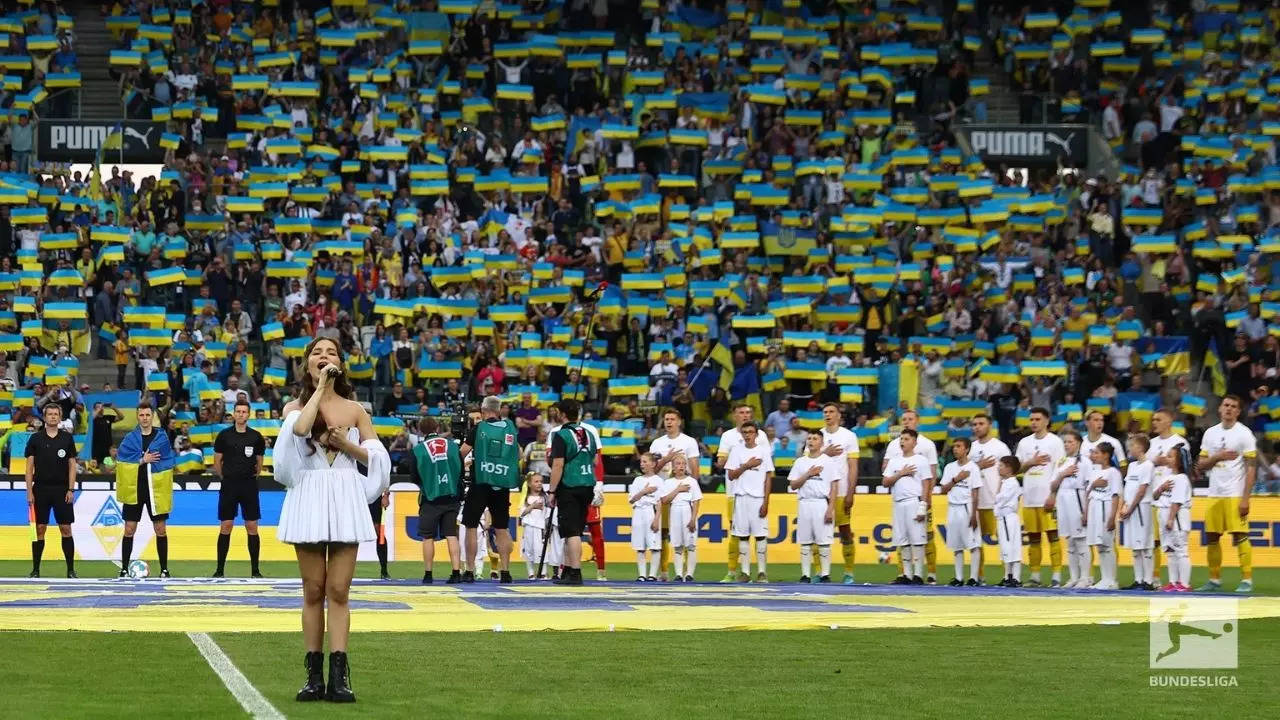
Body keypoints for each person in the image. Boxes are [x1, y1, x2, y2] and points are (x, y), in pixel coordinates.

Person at [273, 336, 391, 703]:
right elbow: (299, 429)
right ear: (307, 362)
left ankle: (340, 675)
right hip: (308, 495)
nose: (324, 357)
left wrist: (348, 445)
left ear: (342, 362)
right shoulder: (294, 405)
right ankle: (313, 675)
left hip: (343, 496)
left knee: (338, 589)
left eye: (331, 353)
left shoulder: (356, 409)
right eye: (316, 353)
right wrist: (321, 388)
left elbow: (377, 459)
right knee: (313, 590)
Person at [1196, 394, 1256, 593]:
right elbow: (1200, 465)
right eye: (1226, 405)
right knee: (1212, 536)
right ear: (1220, 408)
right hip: (1214, 493)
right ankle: (1214, 579)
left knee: (1240, 535)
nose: (1229, 408)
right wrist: (1218, 456)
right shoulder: (1210, 433)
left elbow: (1251, 468)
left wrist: (1246, 498)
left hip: (1235, 494)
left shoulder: (1244, 434)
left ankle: (1246, 579)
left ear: (1238, 411)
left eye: (1233, 406)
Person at [460, 395, 520, 583]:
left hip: (481, 482)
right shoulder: (510, 428)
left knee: (470, 526)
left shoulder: (479, 428)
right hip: (501, 483)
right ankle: (505, 571)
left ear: (484, 411)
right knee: (502, 528)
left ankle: (469, 570)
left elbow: (462, 452)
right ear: (500, 409)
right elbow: (518, 454)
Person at [116, 404, 176, 579]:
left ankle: (164, 570)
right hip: (135, 489)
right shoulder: (129, 438)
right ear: (137, 417)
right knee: (129, 529)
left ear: (152, 417)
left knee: (161, 529)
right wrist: (143, 459)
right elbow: (121, 462)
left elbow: (167, 461)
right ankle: (124, 569)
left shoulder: (162, 437)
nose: (144, 418)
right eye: (141, 415)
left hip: (156, 490)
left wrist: (151, 461)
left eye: (147, 415)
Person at [547, 399, 599, 586]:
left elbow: (558, 464)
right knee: (574, 529)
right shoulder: (590, 434)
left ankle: (575, 571)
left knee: (572, 531)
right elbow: (595, 461)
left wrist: (552, 491)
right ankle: (568, 570)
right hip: (587, 483)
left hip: (570, 484)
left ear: (562, 414)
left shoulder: (561, 435)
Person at [212, 399, 266, 578]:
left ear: (248, 414)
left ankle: (255, 571)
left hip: (249, 485)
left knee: (252, 527)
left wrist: (250, 476)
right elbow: (217, 462)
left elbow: (259, 464)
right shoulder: (224, 436)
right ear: (233, 414)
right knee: (226, 526)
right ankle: (219, 570)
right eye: (238, 411)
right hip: (229, 485)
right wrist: (226, 477)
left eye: (244, 412)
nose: (241, 414)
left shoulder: (256, 437)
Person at [883, 410, 938, 582]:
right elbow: (885, 482)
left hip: (914, 501)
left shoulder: (921, 460)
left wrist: (924, 504)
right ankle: (906, 574)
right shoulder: (894, 461)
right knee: (902, 539)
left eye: (906, 439)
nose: (902, 442)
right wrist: (900, 474)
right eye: (901, 439)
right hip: (898, 502)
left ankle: (918, 574)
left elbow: (926, 483)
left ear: (914, 442)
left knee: (918, 538)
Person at [1014, 407, 1065, 586]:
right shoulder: (1024, 443)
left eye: (1037, 419)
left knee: (1053, 536)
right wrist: (1031, 462)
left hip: (1048, 497)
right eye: (1031, 420)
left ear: (1046, 421)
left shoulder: (1056, 442)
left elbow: (1060, 470)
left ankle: (1057, 575)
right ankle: (1035, 575)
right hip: (1029, 497)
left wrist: (1053, 494)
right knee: (1034, 538)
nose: (1034, 423)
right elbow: (1016, 469)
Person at [25, 403, 78, 578]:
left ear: (60, 416)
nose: (53, 416)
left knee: (65, 528)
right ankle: (35, 570)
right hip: (40, 489)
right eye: (50, 414)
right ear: (44, 417)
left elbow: (72, 465)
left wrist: (71, 488)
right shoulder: (35, 439)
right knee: (40, 528)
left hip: (62, 490)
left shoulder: (67, 439)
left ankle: (70, 570)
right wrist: (29, 492)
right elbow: (29, 468)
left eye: (56, 414)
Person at [411, 417, 464, 584]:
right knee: (451, 535)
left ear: (420, 430)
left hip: (430, 498)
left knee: (427, 537)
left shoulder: (418, 449)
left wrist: (428, 483)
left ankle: (428, 574)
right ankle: (456, 572)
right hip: (451, 496)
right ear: (438, 427)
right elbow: (461, 470)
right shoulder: (453, 445)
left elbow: (414, 476)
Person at [648, 408, 699, 580]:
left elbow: (695, 468)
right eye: (666, 419)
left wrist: (693, 490)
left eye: (672, 419)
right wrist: (666, 459)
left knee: (687, 534)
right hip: (662, 491)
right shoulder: (657, 443)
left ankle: (688, 573)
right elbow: (651, 469)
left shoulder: (689, 442)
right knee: (662, 533)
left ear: (679, 422)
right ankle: (664, 571)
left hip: (683, 493)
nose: (669, 422)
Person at [715, 403, 759, 582]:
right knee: (736, 531)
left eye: (748, 412)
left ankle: (756, 572)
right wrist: (739, 460)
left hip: (756, 493)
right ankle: (732, 570)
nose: (745, 415)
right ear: (735, 416)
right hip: (735, 492)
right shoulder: (728, 436)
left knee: (758, 533)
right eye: (741, 412)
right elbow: (721, 462)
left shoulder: (761, 436)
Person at [725, 421, 774, 583]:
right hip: (741, 498)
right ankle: (745, 572)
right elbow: (731, 475)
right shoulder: (736, 451)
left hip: (758, 498)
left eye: (750, 432)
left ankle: (762, 572)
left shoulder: (763, 451)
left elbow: (768, 478)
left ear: (756, 434)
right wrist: (746, 465)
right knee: (743, 536)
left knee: (760, 536)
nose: (747, 435)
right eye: (744, 432)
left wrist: (766, 502)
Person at [787, 430, 836, 583]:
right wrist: (808, 474)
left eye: (815, 438)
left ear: (821, 442)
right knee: (805, 541)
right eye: (809, 438)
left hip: (821, 502)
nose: (811, 441)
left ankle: (825, 574)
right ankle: (805, 575)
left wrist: (830, 509)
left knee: (824, 541)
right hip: (804, 502)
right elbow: (793, 485)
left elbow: (834, 487)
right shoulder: (800, 462)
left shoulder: (828, 461)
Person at [819, 402, 859, 584]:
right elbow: (807, 461)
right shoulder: (817, 436)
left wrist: (851, 492)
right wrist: (824, 452)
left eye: (831, 411)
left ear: (838, 415)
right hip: (820, 492)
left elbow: (852, 466)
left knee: (844, 531)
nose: (828, 415)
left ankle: (849, 572)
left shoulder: (849, 436)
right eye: (825, 412)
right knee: (818, 534)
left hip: (842, 491)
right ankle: (820, 572)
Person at [1148, 408, 1190, 586]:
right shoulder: (1150, 444)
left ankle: (1184, 583)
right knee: (1165, 546)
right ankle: (1170, 581)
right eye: (1153, 419)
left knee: (1180, 547)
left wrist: (1172, 516)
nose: (1154, 422)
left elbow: (1186, 466)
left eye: (1158, 419)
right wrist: (1153, 462)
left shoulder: (1180, 443)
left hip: (1173, 508)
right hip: (1158, 502)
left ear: (1169, 421)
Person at [969, 413, 1010, 583]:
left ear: (990, 425)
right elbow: (965, 472)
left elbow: (1008, 474)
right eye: (974, 424)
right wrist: (979, 466)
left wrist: (1002, 496)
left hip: (995, 501)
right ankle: (979, 576)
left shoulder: (1000, 448)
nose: (977, 427)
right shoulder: (970, 448)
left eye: (981, 423)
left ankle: (1008, 575)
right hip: (976, 502)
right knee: (976, 543)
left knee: (1003, 540)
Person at [1047, 430, 1089, 588]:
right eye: (1065, 442)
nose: (1066, 445)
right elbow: (1052, 485)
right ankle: (1073, 577)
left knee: (1081, 540)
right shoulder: (1061, 462)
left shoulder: (1085, 462)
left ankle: (1085, 577)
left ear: (1078, 443)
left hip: (1077, 499)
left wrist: (1086, 510)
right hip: (1062, 500)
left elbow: (1088, 485)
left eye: (1070, 442)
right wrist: (1062, 474)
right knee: (1070, 541)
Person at [940, 437, 981, 587]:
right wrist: (956, 479)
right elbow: (943, 490)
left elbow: (976, 492)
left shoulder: (973, 468)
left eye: (958, 446)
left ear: (967, 449)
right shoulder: (949, 467)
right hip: (953, 507)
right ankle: (958, 577)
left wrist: (974, 514)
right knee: (956, 545)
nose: (955, 449)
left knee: (973, 544)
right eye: (954, 446)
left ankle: (974, 578)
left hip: (967, 506)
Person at [1154, 448, 1193, 592]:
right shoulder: (1166, 477)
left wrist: (1170, 519)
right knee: (1170, 551)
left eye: (1170, 456)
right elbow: (1155, 496)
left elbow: (1177, 501)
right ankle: (1173, 582)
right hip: (1163, 513)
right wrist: (1161, 489)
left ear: (1178, 461)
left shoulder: (1181, 478)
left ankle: (1184, 583)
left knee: (1181, 549)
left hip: (1176, 518)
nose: (1166, 458)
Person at [1120, 434, 1155, 590]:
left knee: (1146, 545)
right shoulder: (1132, 466)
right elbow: (1128, 488)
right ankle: (1138, 579)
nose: (1130, 448)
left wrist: (1131, 507)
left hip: (1141, 508)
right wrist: (1124, 506)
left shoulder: (1148, 465)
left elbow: (1142, 490)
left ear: (1140, 447)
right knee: (1135, 546)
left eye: (1132, 445)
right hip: (1130, 509)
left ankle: (1148, 581)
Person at [1085, 442, 1122, 590]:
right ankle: (1104, 579)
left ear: (1106, 455)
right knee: (1099, 546)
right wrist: (1086, 512)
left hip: (1105, 508)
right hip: (1094, 508)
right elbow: (1088, 492)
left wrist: (1112, 517)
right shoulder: (1094, 472)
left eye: (1096, 453)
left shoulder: (1113, 473)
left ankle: (1111, 580)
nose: (1093, 455)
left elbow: (1115, 495)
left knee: (1107, 545)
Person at [659, 454, 702, 582]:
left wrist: (693, 519)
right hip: (675, 511)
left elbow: (696, 501)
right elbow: (665, 500)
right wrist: (678, 490)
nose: (681, 466)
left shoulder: (692, 481)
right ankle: (678, 574)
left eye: (683, 463)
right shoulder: (668, 482)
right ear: (673, 467)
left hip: (687, 510)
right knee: (677, 545)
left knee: (691, 544)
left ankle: (689, 574)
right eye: (678, 464)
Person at [628, 453, 663, 581]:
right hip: (638, 511)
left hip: (651, 511)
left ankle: (652, 575)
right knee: (640, 546)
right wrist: (644, 491)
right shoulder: (637, 480)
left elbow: (659, 501)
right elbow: (632, 500)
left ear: (653, 464)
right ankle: (642, 574)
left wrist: (656, 519)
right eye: (641, 462)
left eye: (645, 462)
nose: (642, 464)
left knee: (654, 545)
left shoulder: (658, 481)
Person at [994, 457, 1024, 587]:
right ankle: (1007, 576)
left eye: (1001, 466)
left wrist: (996, 497)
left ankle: (1015, 577)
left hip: (1008, 518)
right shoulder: (1006, 482)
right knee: (1006, 548)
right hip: (1003, 518)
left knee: (1012, 547)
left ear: (1009, 468)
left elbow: (1001, 499)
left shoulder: (1012, 483)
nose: (998, 468)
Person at [519, 475, 555, 579]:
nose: (539, 483)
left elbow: (548, 514)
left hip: (540, 528)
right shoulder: (525, 498)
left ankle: (543, 572)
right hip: (528, 528)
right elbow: (522, 513)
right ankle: (531, 573)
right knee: (529, 550)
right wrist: (532, 506)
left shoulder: (545, 498)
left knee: (541, 550)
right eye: (536, 481)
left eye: (541, 481)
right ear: (529, 484)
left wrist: (547, 527)